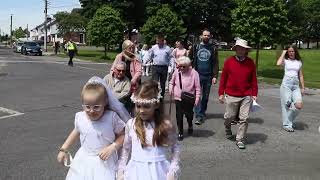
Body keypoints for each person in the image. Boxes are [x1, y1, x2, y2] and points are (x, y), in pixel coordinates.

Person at [57, 76, 131, 180]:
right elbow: (76, 131)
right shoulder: (80, 117)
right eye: (87, 106)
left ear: (105, 102)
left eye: (96, 107)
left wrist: (112, 147)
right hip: (83, 159)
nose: (91, 111)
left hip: (104, 161)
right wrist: (63, 149)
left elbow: (123, 135)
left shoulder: (111, 117)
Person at [117, 80, 180, 180]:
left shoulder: (165, 125)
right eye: (138, 106)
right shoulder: (131, 124)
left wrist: (172, 170)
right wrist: (121, 169)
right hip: (135, 172)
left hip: (158, 172)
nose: (141, 110)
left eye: (146, 106)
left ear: (156, 105)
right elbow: (126, 148)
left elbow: (175, 148)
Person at [218, 38, 258, 149]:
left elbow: (253, 79)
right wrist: (221, 93)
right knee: (229, 117)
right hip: (231, 94)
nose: (241, 50)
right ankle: (227, 127)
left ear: (246, 50)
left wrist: (254, 94)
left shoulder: (250, 63)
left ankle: (240, 139)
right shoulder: (229, 61)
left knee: (244, 118)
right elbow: (223, 79)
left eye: (243, 49)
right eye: (239, 48)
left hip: (246, 94)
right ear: (236, 49)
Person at [189, 29, 219, 125]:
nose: (206, 37)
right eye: (204, 35)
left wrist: (215, 76)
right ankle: (199, 115)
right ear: (201, 36)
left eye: (208, 35)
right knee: (197, 95)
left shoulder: (213, 48)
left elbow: (215, 63)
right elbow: (189, 59)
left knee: (205, 97)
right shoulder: (195, 47)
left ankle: (202, 112)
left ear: (210, 37)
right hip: (197, 75)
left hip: (208, 76)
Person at [169, 56, 201, 141]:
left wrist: (197, 99)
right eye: (180, 66)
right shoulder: (176, 72)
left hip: (189, 98)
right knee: (179, 115)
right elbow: (171, 82)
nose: (182, 68)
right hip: (178, 98)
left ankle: (190, 124)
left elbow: (197, 87)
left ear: (188, 65)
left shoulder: (194, 73)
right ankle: (180, 132)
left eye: (184, 66)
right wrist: (170, 89)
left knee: (189, 114)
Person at [276, 46, 305, 132]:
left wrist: (303, 87)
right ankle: (287, 125)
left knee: (299, 105)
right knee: (287, 106)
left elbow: (301, 75)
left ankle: (289, 120)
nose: (291, 53)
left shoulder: (298, 62)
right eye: (289, 51)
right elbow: (278, 63)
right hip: (286, 85)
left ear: (295, 52)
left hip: (295, 86)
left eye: (292, 51)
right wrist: (283, 52)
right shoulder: (285, 61)